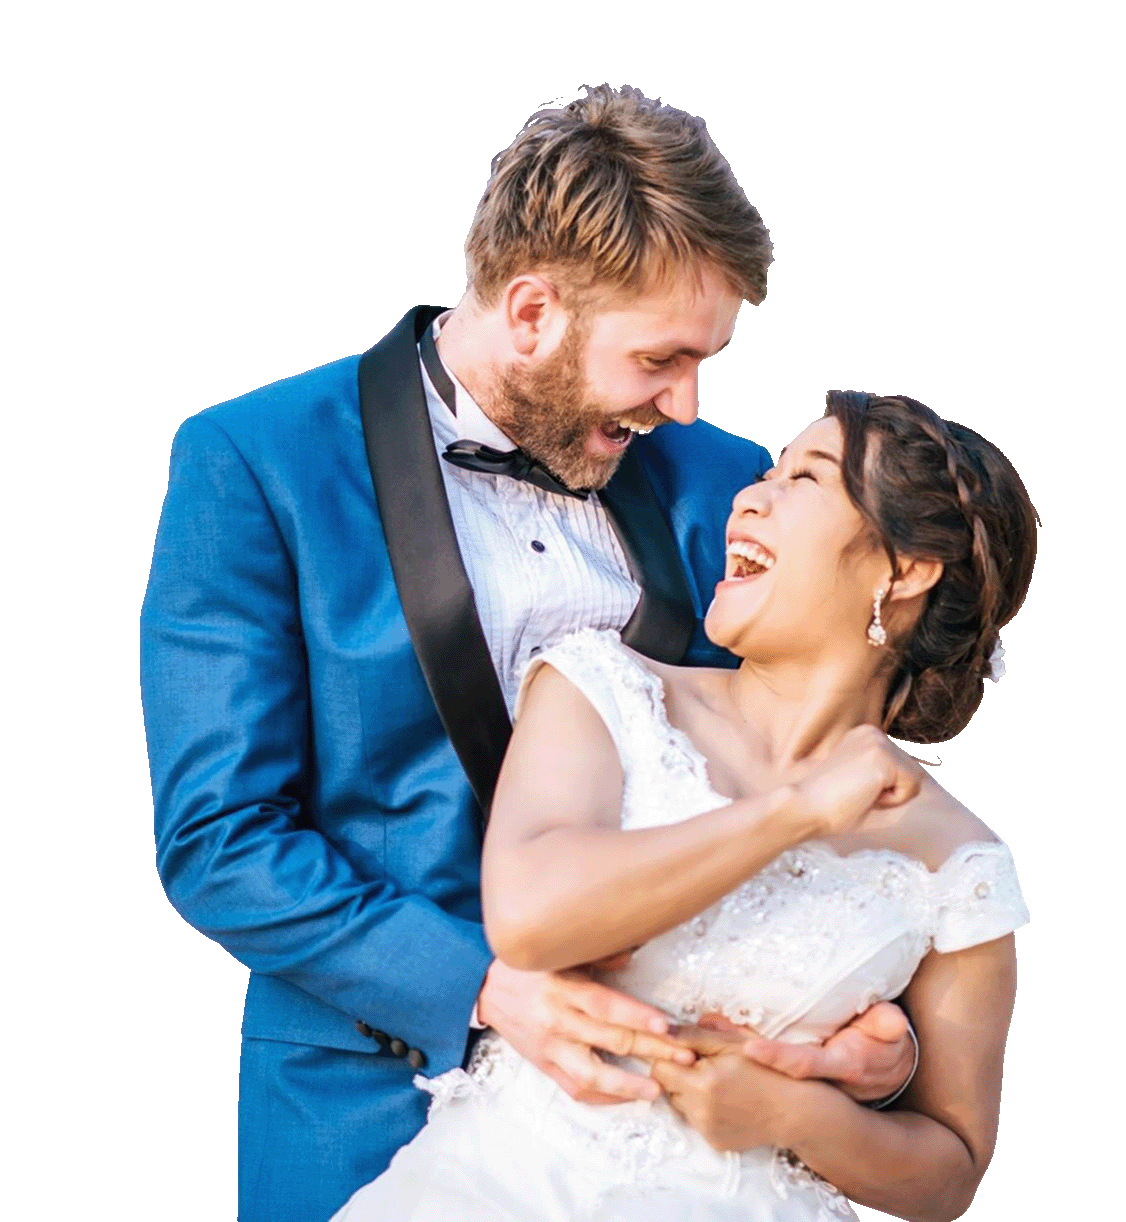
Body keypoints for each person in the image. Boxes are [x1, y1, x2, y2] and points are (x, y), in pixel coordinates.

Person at [139, 86, 915, 1222]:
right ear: (534, 309)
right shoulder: (250, 462)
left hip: (671, 1137)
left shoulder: (721, 479)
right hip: (362, 1107)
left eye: (705, 360)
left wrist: (872, 1028)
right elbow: (219, 839)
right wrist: (488, 990)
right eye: (661, 358)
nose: (687, 403)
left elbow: (806, 750)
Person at [331, 390, 1037, 1220]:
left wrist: (793, 1116)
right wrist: (795, 811)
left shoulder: (960, 860)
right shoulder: (605, 687)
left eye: (804, 479)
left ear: (904, 570)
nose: (749, 496)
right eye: (766, 472)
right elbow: (529, 914)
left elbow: (950, 1172)